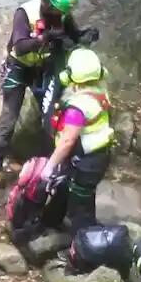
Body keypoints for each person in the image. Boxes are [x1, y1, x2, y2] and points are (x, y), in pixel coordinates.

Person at [0, 0, 93, 196]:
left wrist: (84, 37)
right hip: (19, 67)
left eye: (60, 11)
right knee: (8, 122)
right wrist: (45, 38)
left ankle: (49, 167)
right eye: (53, 8)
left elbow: (72, 38)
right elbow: (21, 45)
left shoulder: (62, 13)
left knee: (51, 119)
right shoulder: (25, 13)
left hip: (43, 69)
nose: (56, 13)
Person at [41, 48, 114, 235]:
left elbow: (67, 140)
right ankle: (50, 220)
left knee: (80, 207)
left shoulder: (78, 107)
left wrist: (49, 166)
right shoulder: (100, 94)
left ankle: (83, 250)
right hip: (97, 156)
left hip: (86, 162)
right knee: (66, 188)